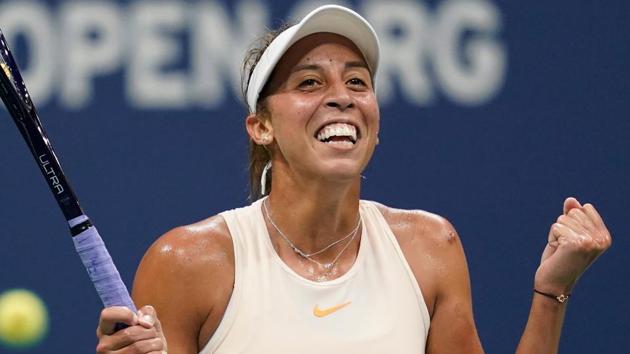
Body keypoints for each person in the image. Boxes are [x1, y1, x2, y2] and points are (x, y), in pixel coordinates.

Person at [95, 5, 611, 354]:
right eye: (310, 82)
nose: (342, 96)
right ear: (262, 127)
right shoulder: (188, 263)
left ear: (376, 122)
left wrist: (551, 290)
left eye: (357, 81)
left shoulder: (430, 247)